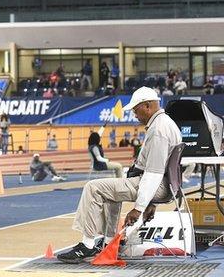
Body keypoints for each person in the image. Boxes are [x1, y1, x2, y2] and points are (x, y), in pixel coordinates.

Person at [58, 87, 181, 264]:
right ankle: (108, 243)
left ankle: (87, 244)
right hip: (163, 185)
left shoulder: (159, 130)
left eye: (135, 109)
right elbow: (158, 168)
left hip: (157, 184)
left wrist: (139, 208)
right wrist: (150, 202)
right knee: (111, 191)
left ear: (147, 106)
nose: (134, 114)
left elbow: (154, 173)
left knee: (93, 188)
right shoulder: (165, 123)